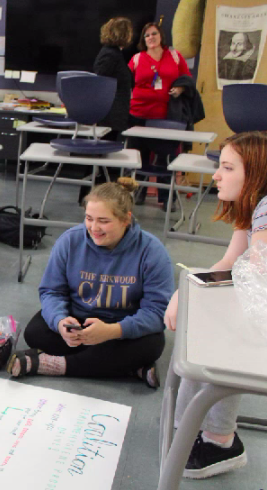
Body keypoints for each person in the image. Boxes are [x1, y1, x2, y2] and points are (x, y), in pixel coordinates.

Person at [164, 131, 267, 479]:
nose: (216, 175)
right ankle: (204, 433)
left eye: (227, 167)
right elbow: (228, 265)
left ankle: (218, 440)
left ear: (255, 172)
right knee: (204, 321)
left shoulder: (266, 207)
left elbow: (257, 279)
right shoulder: (253, 207)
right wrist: (187, 288)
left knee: (215, 338)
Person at [7, 178, 174, 388]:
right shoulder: (70, 241)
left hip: (122, 327)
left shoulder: (152, 251)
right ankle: (129, 367)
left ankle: (53, 364)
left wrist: (113, 331)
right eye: (88, 218)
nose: (94, 228)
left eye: (104, 221)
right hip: (78, 322)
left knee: (152, 345)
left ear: (126, 220)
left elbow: (158, 311)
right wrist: (61, 323)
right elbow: (51, 291)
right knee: (35, 332)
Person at [128, 22, 191, 210]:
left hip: (166, 117)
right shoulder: (137, 58)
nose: (151, 38)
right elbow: (126, 82)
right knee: (139, 157)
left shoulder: (174, 56)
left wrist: (180, 88)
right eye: (147, 35)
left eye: (154, 34)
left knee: (166, 157)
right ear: (143, 40)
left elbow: (187, 78)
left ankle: (166, 198)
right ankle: (138, 192)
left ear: (161, 36)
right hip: (139, 114)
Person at [78, 17, 134, 204]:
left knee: (100, 160)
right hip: (109, 117)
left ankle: (93, 199)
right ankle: (95, 200)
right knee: (101, 160)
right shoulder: (110, 55)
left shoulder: (112, 54)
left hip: (112, 116)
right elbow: (100, 84)